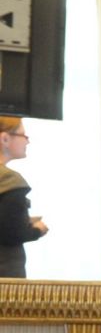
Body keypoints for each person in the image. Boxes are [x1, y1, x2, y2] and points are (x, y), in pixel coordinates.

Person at [0, 117, 49, 279]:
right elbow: (12, 232)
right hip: (6, 279)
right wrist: (38, 229)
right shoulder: (9, 180)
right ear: (5, 138)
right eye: (23, 135)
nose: (27, 141)